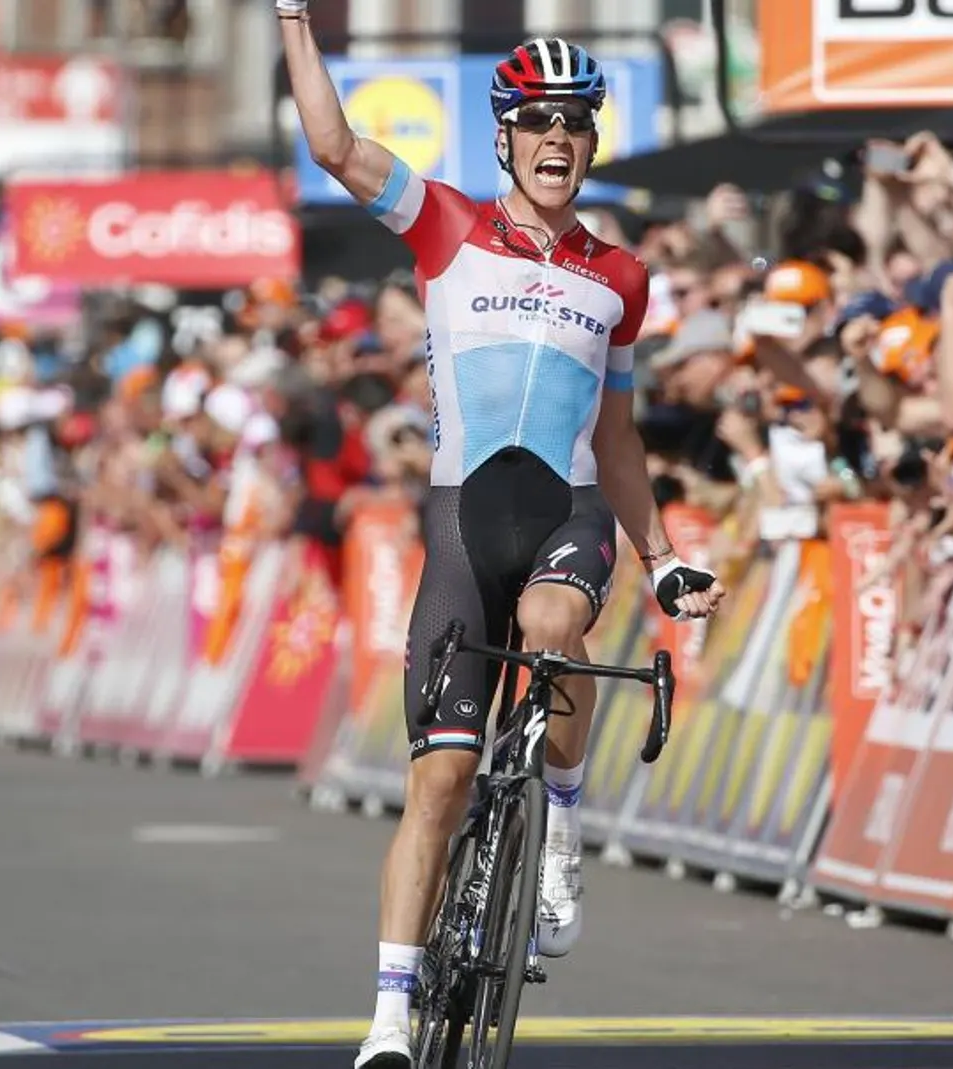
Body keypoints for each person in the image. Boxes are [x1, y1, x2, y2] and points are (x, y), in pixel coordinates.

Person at [273, 6, 727, 1068]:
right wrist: (295, 19)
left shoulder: (621, 276)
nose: (557, 138)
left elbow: (613, 436)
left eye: (575, 121)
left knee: (555, 619)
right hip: (462, 521)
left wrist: (662, 557)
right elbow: (335, 146)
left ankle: (558, 828)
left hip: (566, 511)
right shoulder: (444, 226)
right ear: (505, 138)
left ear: (592, 138)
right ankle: (389, 1019)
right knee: (436, 782)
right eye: (537, 121)